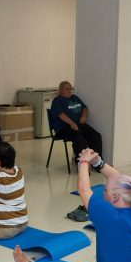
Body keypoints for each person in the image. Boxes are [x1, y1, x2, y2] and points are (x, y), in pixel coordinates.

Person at [51, 81, 105, 222]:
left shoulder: (75, 98)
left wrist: (83, 117)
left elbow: (85, 108)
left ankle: (97, 164)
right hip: (65, 128)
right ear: (61, 90)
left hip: (80, 124)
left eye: (70, 88)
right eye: (67, 89)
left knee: (96, 136)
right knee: (80, 140)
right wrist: (72, 123)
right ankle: (82, 165)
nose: (69, 91)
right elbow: (61, 115)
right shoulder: (58, 101)